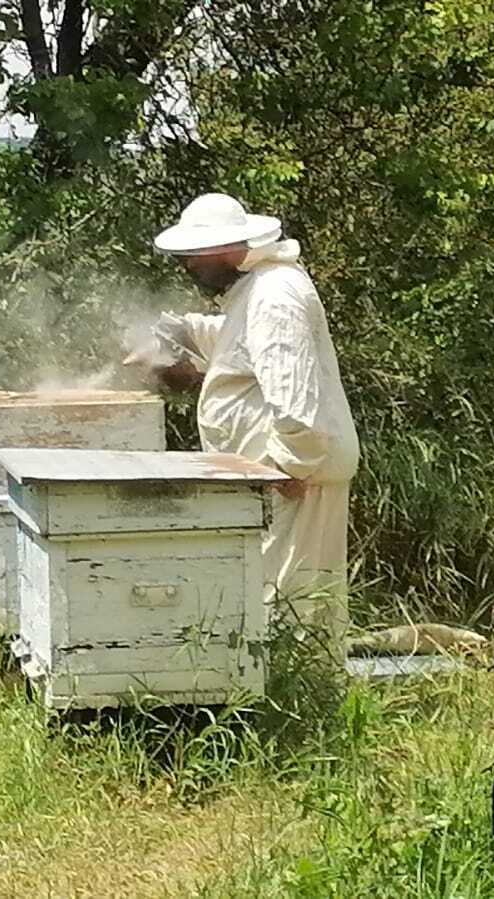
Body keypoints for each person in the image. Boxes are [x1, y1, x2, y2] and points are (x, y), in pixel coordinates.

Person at [128, 192, 360, 658]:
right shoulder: (259, 291)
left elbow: (296, 404)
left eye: (194, 255)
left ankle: (300, 702)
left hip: (294, 480)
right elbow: (239, 344)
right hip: (280, 477)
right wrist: (177, 332)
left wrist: (288, 469)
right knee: (279, 597)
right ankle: (292, 692)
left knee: (291, 603)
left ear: (229, 247)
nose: (187, 265)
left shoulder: (275, 298)